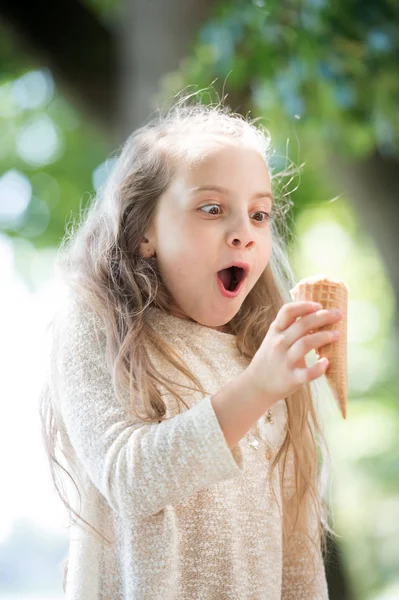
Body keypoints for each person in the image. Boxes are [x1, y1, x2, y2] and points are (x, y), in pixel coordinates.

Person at [39, 93, 342, 599]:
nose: (243, 232)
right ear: (143, 232)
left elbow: (298, 560)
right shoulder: (98, 325)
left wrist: (264, 382)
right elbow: (128, 478)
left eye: (260, 215)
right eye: (212, 208)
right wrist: (257, 389)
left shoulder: (259, 354)